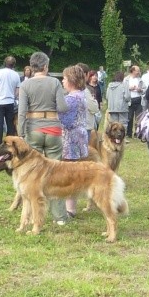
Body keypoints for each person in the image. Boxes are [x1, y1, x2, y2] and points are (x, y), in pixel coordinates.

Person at [18, 51, 70, 225]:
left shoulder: (25, 85)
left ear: (31, 67)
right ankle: (60, 217)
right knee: (56, 173)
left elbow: (22, 112)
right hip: (54, 130)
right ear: (46, 66)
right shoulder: (55, 82)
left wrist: (21, 134)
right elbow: (63, 107)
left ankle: (33, 215)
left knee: (33, 175)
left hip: (33, 130)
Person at [59, 64, 88, 219]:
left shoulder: (71, 99)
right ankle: (71, 207)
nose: (62, 81)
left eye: (64, 78)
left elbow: (67, 121)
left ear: (71, 80)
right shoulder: (82, 94)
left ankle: (69, 209)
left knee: (69, 175)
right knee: (73, 173)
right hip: (80, 137)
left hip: (71, 139)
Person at [0, 55, 20, 147]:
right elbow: (17, 90)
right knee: (10, 123)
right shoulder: (16, 74)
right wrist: (13, 97)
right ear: (14, 65)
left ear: (5, 63)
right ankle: (9, 143)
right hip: (10, 102)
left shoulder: (0, 72)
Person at [124, 64, 143, 138]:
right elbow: (123, 88)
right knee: (129, 117)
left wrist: (140, 89)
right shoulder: (126, 79)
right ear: (133, 71)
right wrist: (129, 88)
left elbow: (144, 89)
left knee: (139, 117)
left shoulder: (140, 79)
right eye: (137, 71)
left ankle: (137, 133)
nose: (138, 72)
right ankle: (129, 133)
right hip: (130, 100)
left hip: (138, 99)